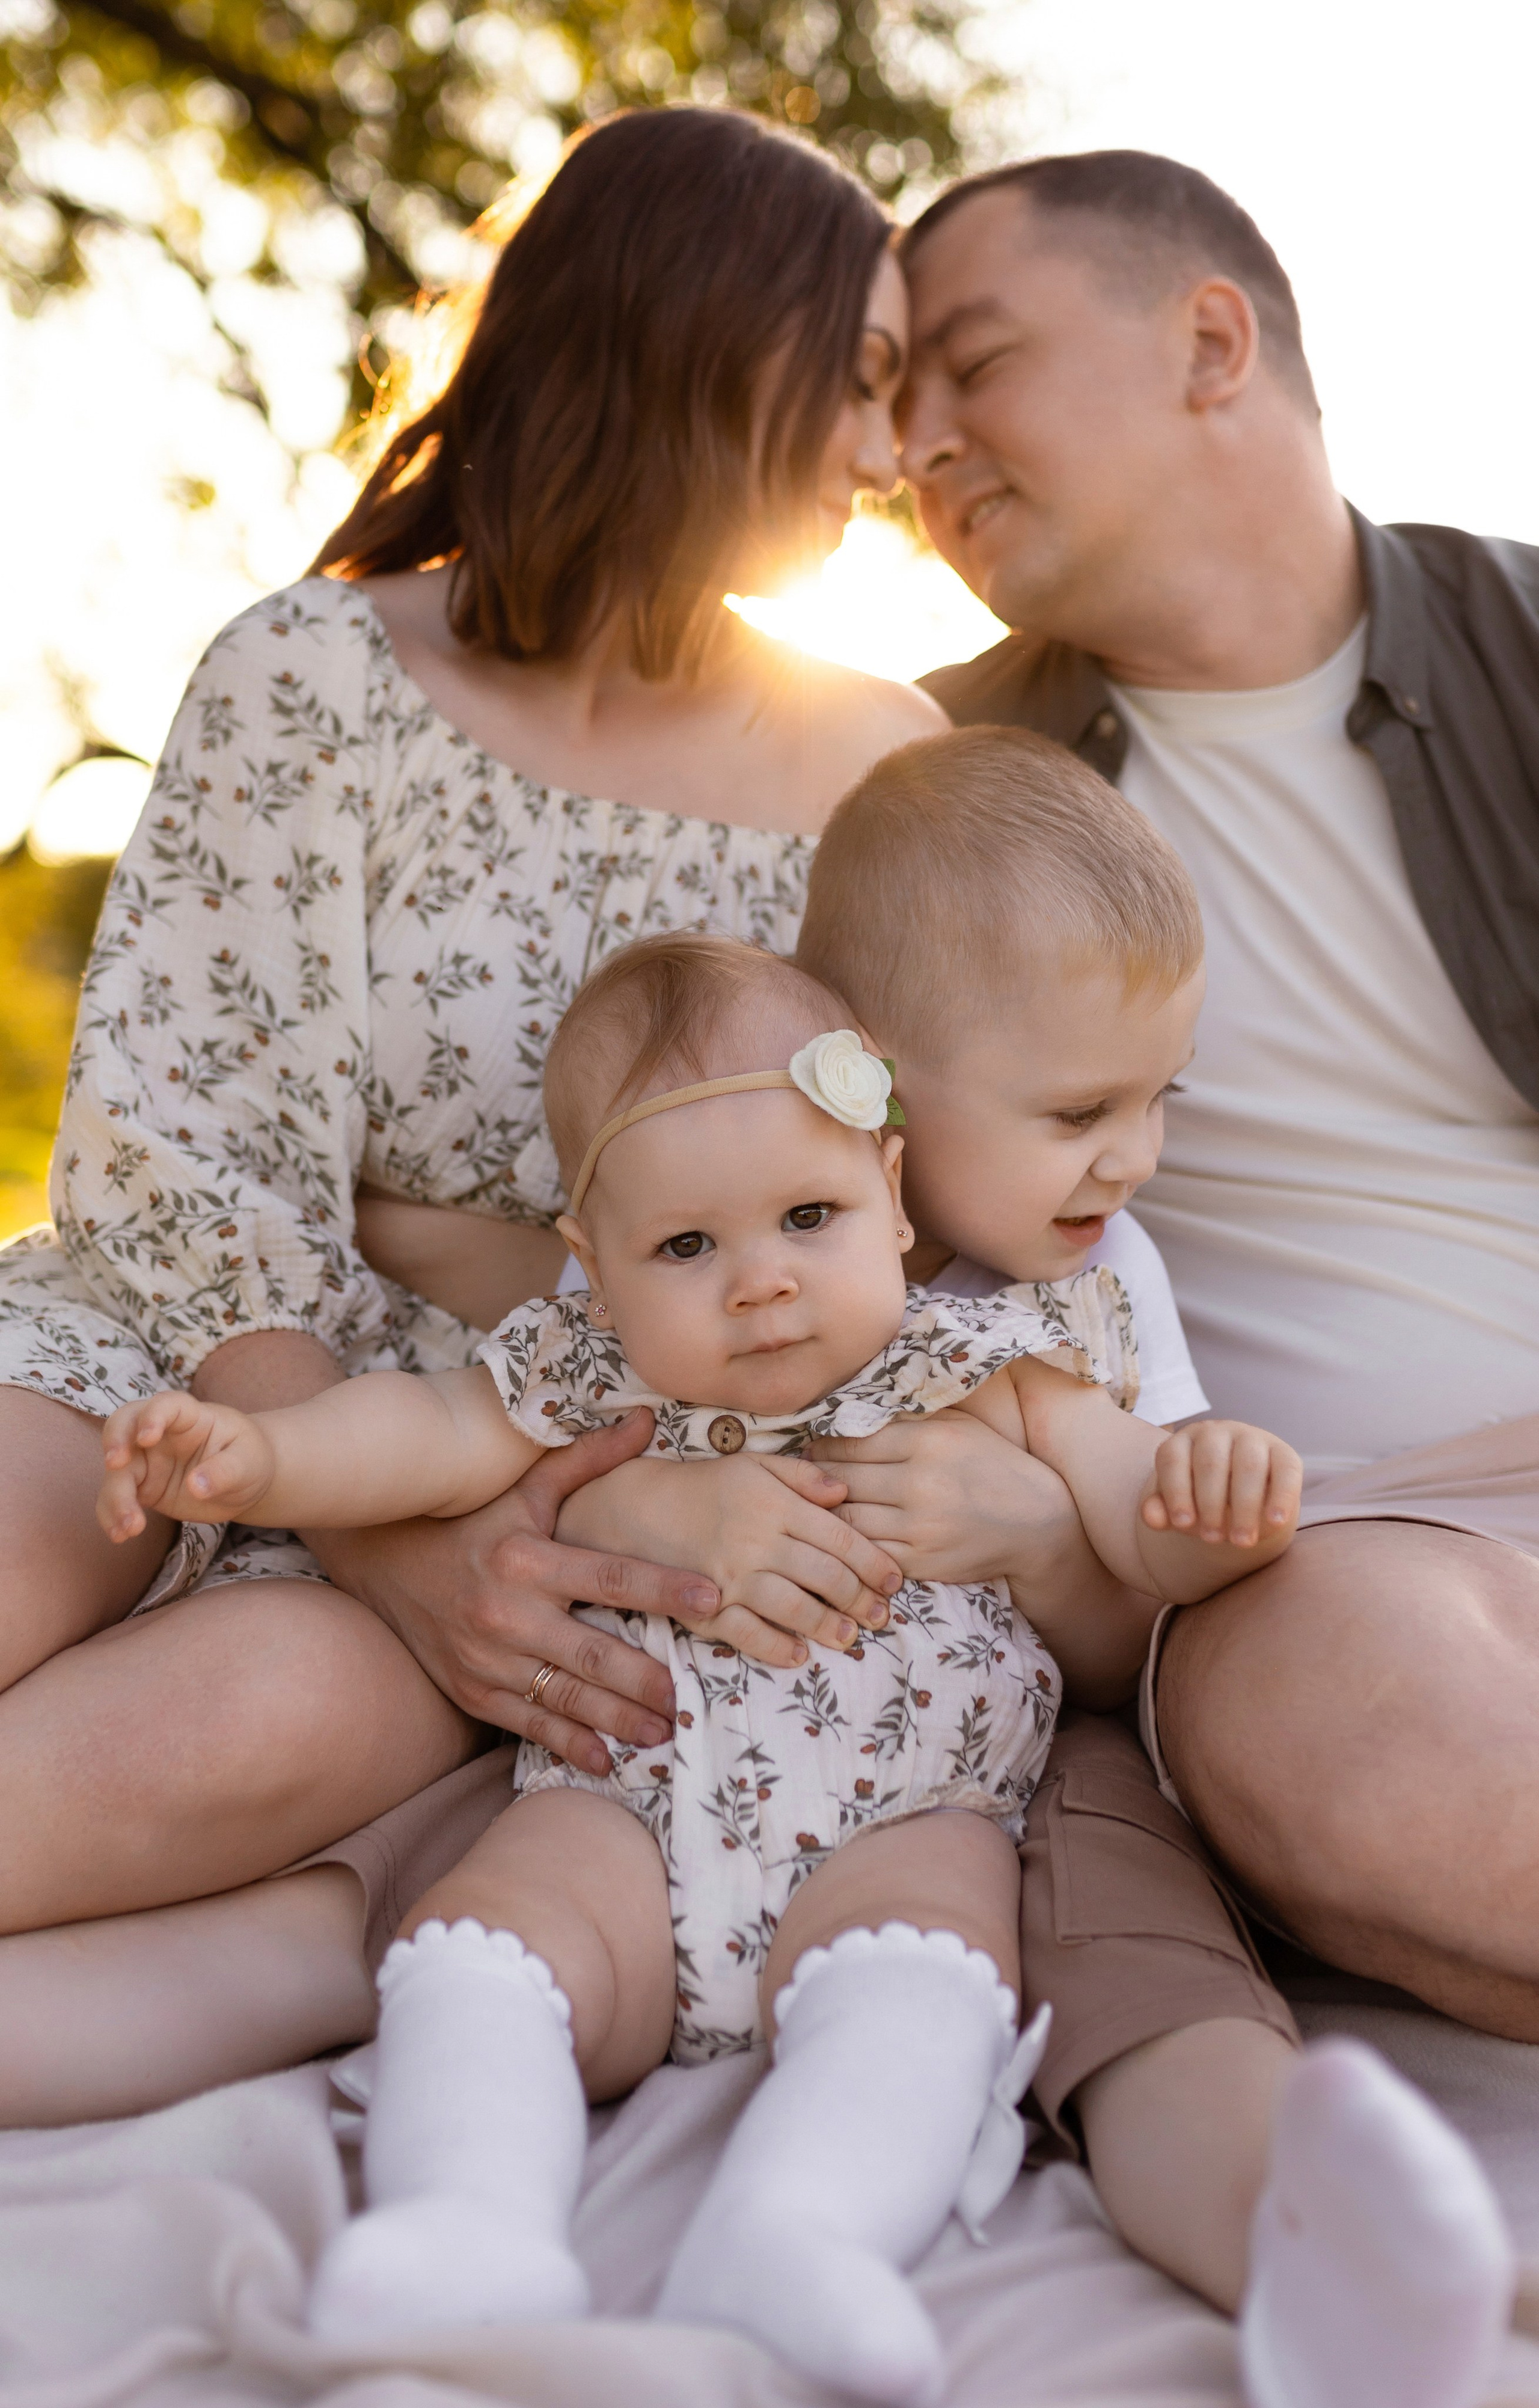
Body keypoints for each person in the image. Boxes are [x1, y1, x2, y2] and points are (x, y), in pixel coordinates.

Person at [0, 105, 952, 2109]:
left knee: (230, 1732)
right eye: (858, 381)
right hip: (156, 1353)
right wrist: (351, 1511)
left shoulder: (880, 766)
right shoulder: (309, 673)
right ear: (699, 336)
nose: (889, 459)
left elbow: (866, 1201)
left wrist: (450, 1495)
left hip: (533, 1456)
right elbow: (186, 1151)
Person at [99, 925, 1306, 2407]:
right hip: (624, 1804)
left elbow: (1140, 1519)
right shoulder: (577, 1372)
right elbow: (411, 1436)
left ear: (893, 1196)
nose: (759, 1284)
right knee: (485, 1942)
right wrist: (264, 1451)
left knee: (927, 1972)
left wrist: (1217, 1497)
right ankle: (464, 2223)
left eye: (809, 1214)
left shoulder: (989, 1361)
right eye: (686, 1247)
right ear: (592, 1270)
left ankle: (796, 2232)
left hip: (903, 1815)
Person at [896, 155, 1539, 2053]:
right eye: (893, 398)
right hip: (1333, 1546)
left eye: (973, 362)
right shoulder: (914, 784)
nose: (911, 440)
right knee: (1344, 1733)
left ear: (1210, 342)